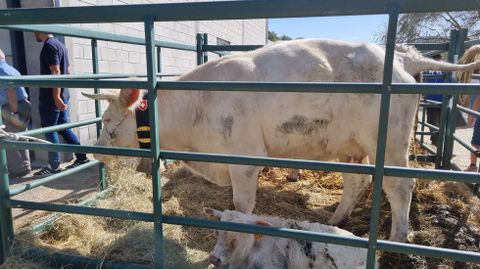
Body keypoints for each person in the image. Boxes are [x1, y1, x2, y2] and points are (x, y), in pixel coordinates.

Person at [33, 32, 88, 176]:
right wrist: (63, 94)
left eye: (34, 31)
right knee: (64, 128)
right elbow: (67, 72)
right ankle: (82, 158)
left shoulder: (49, 46)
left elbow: (56, 71)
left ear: (41, 30)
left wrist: (56, 96)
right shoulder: (60, 45)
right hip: (62, 95)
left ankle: (54, 166)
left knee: (50, 130)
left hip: (51, 98)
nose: (34, 35)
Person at [0, 49, 32, 178]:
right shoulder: (10, 68)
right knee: (21, 136)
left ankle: (18, 169)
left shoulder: (2, 70)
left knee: (9, 137)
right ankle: (25, 165)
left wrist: (13, 112)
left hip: (13, 106)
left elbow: (11, 92)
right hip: (22, 104)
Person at [457, 45, 480, 173]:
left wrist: (472, 115)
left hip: (478, 112)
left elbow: (478, 99)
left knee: (476, 142)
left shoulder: (471, 74)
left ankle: (472, 166)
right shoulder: (472, 74)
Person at [423, 53, 446, 146]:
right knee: (440, 122)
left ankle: (436, 141)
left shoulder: (427, 68)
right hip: (442, 99)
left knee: (432, 122)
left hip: (431, 99)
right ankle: (438, 142)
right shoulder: (445, 68)